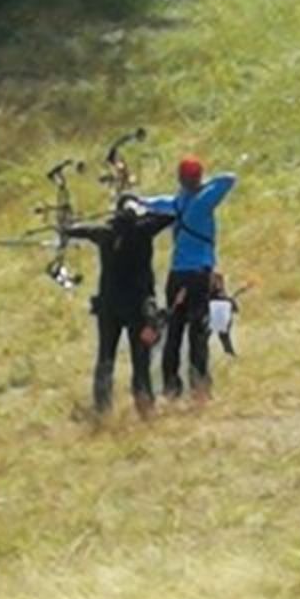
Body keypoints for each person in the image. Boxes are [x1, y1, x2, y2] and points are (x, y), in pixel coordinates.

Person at [138, 156, 237, 399]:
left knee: (174, 330)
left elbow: (153, 203)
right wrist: (204, 185)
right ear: (198, 177)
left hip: (177, 276)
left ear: (180, 179)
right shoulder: (204, 200)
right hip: (199, 276)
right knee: (198, 332)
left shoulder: (176, 203)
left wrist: (138, 200)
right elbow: (229, 178)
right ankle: (200, 386)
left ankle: (171, 387)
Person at [65, 196, 174, 417]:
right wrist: (147, 208)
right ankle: (144, 405)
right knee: (140, 359)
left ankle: (102, 407)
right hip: (137, 307)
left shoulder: (105, 233)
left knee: (106, 356)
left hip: (109, 307)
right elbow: (169, 216)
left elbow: (79, 231)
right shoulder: (143, 230)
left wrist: (68, 227)